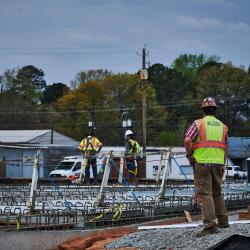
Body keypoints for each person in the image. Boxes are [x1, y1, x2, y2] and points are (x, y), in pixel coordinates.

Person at [184, 97, 229, 237]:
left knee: (205, 194)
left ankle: (210, 226)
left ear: (203, 110)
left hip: (202, 163)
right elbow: (225, 147)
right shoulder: (223, 126)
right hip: (218, 163)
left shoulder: (198, 124)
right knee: (217, 192)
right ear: (214, 110)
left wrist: (190, 155)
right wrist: (223, 164)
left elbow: (187, 140)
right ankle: (223, 221)